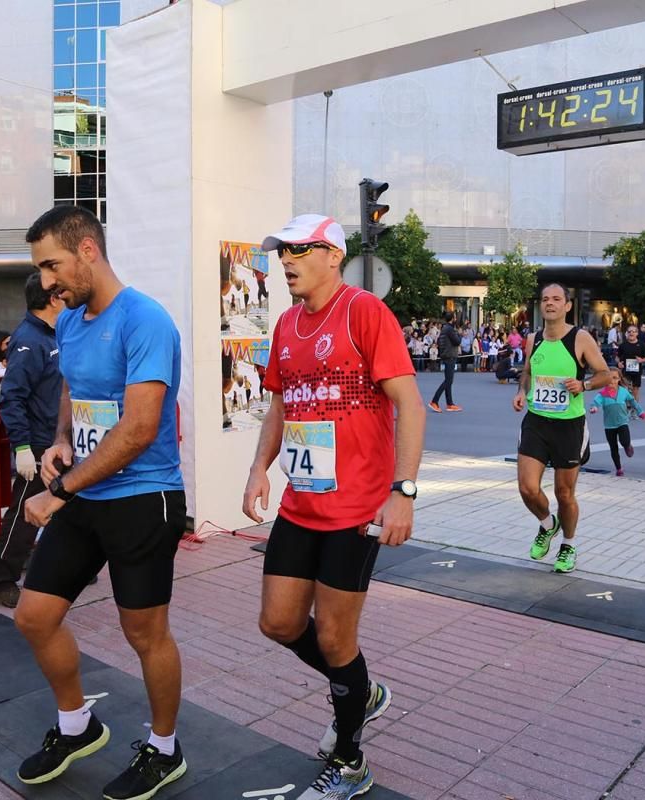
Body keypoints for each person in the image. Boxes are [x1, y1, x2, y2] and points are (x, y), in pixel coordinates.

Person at [243, 214, 424, 800]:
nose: (286, 261)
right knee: (279, 623)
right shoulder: (287, 322)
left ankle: (350, 763)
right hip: (300, 504)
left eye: (298, 250)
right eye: (282, 252)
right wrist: (257, 470)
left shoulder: (365, 312)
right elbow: (281, 409)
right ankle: (361, 692)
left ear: (331, 254)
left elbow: (411, 407)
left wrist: (404, 491)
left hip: (358, 510)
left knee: (336, 642)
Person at [15, 206, 188, 800]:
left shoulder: (146, 320)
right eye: (40, 269)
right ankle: (76, 724)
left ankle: (164, 749)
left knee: (145, 635)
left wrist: (58, 492)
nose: (46, 281)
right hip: (86, 493)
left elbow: (140, 430)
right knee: (34, 616)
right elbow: (74, 388)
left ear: (87, 250)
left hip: (144, 498)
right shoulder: (68, 322)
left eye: (51, 265)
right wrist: (61, 440)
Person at [512, 283, 613, 575]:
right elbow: (528, 372)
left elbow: (606, 374)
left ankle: (568, 544)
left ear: (567, 306)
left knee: (564, 493)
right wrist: (522, 391)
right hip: (536, 421)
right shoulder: (533, 339)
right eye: (545, 299)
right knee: (527, 488)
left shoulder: (580, 338)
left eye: (556, 299)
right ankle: (548, 525)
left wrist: (584, 385)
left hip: (569, 426)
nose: (550, 303)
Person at [0, 273, 65, 607]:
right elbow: (12, 396)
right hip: (35, 442)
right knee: (23, 512)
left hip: (57, 440)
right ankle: (1, 579)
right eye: (62, 292)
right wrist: (21, 447)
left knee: (65, 506)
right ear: (51, 298)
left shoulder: (54, 333)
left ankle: (56, 563)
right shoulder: (29, 340)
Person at [590, 368, 645, 476]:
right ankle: (619, 468)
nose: (612, 381)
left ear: (619, 379)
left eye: (615, 378)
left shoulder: (623, 391)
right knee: (613, 447)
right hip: (609, 426)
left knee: (624, 441)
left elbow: (632, 401)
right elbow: (595, 403)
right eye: (609, 378)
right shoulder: (602, 394)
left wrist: (640, 412)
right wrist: (594, 408)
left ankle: (627, 446)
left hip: (622, 422)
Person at [428, 311, 463, 412]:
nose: (456, 318)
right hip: (450, 355)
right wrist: (459, 334)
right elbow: (457, 341)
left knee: (449, 380)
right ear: (452, 318)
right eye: (455, 317)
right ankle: (434, 401)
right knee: (448, 380)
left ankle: (450, 403)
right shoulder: (450, 329)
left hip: (447, 355)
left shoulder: (446, 328)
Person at [616, 325, 645, 400]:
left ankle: (635, 406)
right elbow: (617, 357)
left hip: (637, 371)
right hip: (625, 371)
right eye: (629, 331)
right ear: (627, 333)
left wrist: (641, 360)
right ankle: (624, 404)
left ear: (637, 333)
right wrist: (618, 363)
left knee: (635, 389)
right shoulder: (623, 345)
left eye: (633, 331)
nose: (631, 333)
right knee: (623, 388)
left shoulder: (642, 345)